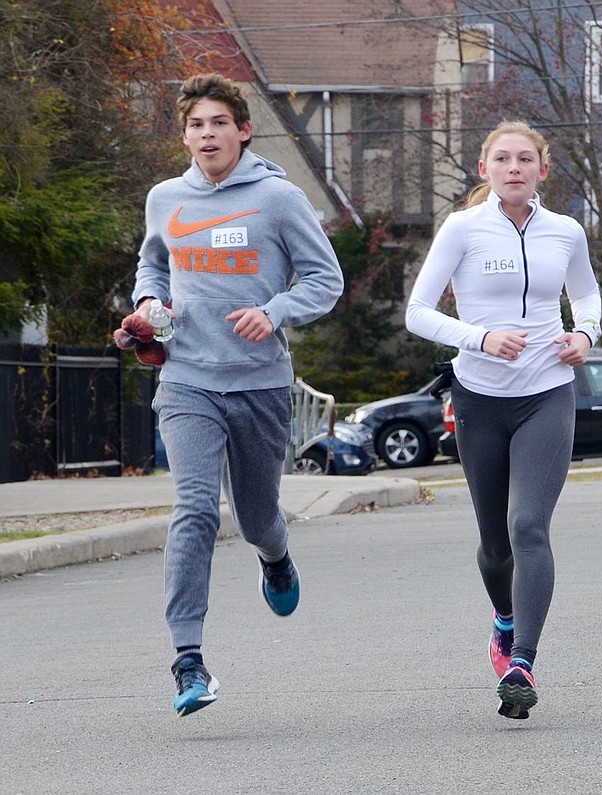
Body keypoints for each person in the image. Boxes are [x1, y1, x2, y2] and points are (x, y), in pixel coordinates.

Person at [125, 73, 344, 716]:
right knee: (193, 509)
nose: (208, 134)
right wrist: (147, 306)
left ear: (243, 130)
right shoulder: (166, 198)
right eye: (197, 124)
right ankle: (188, 662)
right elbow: (154, 266)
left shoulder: (278, 199)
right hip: (188, 378)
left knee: (255, 517)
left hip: (259, 384)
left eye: (219, 122)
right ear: (186, 135)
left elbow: (324, 279)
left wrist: (274, 311)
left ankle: (276, 559)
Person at [405, 120, 602, 719]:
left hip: (547, 391)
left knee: (528, 528)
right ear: (485, 169)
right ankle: (505, 618)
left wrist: (585, 335)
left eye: (525, 159)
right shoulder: (463, 229)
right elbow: (416, 312)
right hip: (479, 398)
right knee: (495, 545)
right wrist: (480, 337)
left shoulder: (565, 232)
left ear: (542, 169)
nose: (513, 167)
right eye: (501, 159)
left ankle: (522, 660)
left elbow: (588, 296)